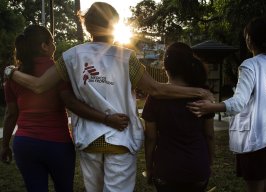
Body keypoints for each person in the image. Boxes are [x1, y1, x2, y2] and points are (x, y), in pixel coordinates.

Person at [4, 2, 213, 192]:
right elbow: (156, 89)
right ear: (114, 26)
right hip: (121, 140)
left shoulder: (70, 57)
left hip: (89, 141)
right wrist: (198, 91)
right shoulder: (126, 57)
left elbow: (39, 86)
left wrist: (10, 72)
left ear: (87, 27)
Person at [0, 25, 129, 192]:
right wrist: (106, 118)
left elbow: (11, 114)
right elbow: (71, 103)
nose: (54, 46)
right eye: (52, 42)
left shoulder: (14, 76)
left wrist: (4, 145)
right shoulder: (59, 70)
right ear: (44, 46)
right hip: (57, 144)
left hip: (25, 144)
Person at [188, 16, 266, 192]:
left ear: (249, 38)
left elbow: (238, 103)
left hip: (257, 139)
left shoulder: (250, 65)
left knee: (255, 186)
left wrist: (210, 107)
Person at [142, 42, 215, 192]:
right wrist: (209, 162)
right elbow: (209, 135)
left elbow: (150, 138)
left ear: (165, 67)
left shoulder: (155, 97)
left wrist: (149, 168)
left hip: (166, 171)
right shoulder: (204, 94)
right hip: (198, 167)